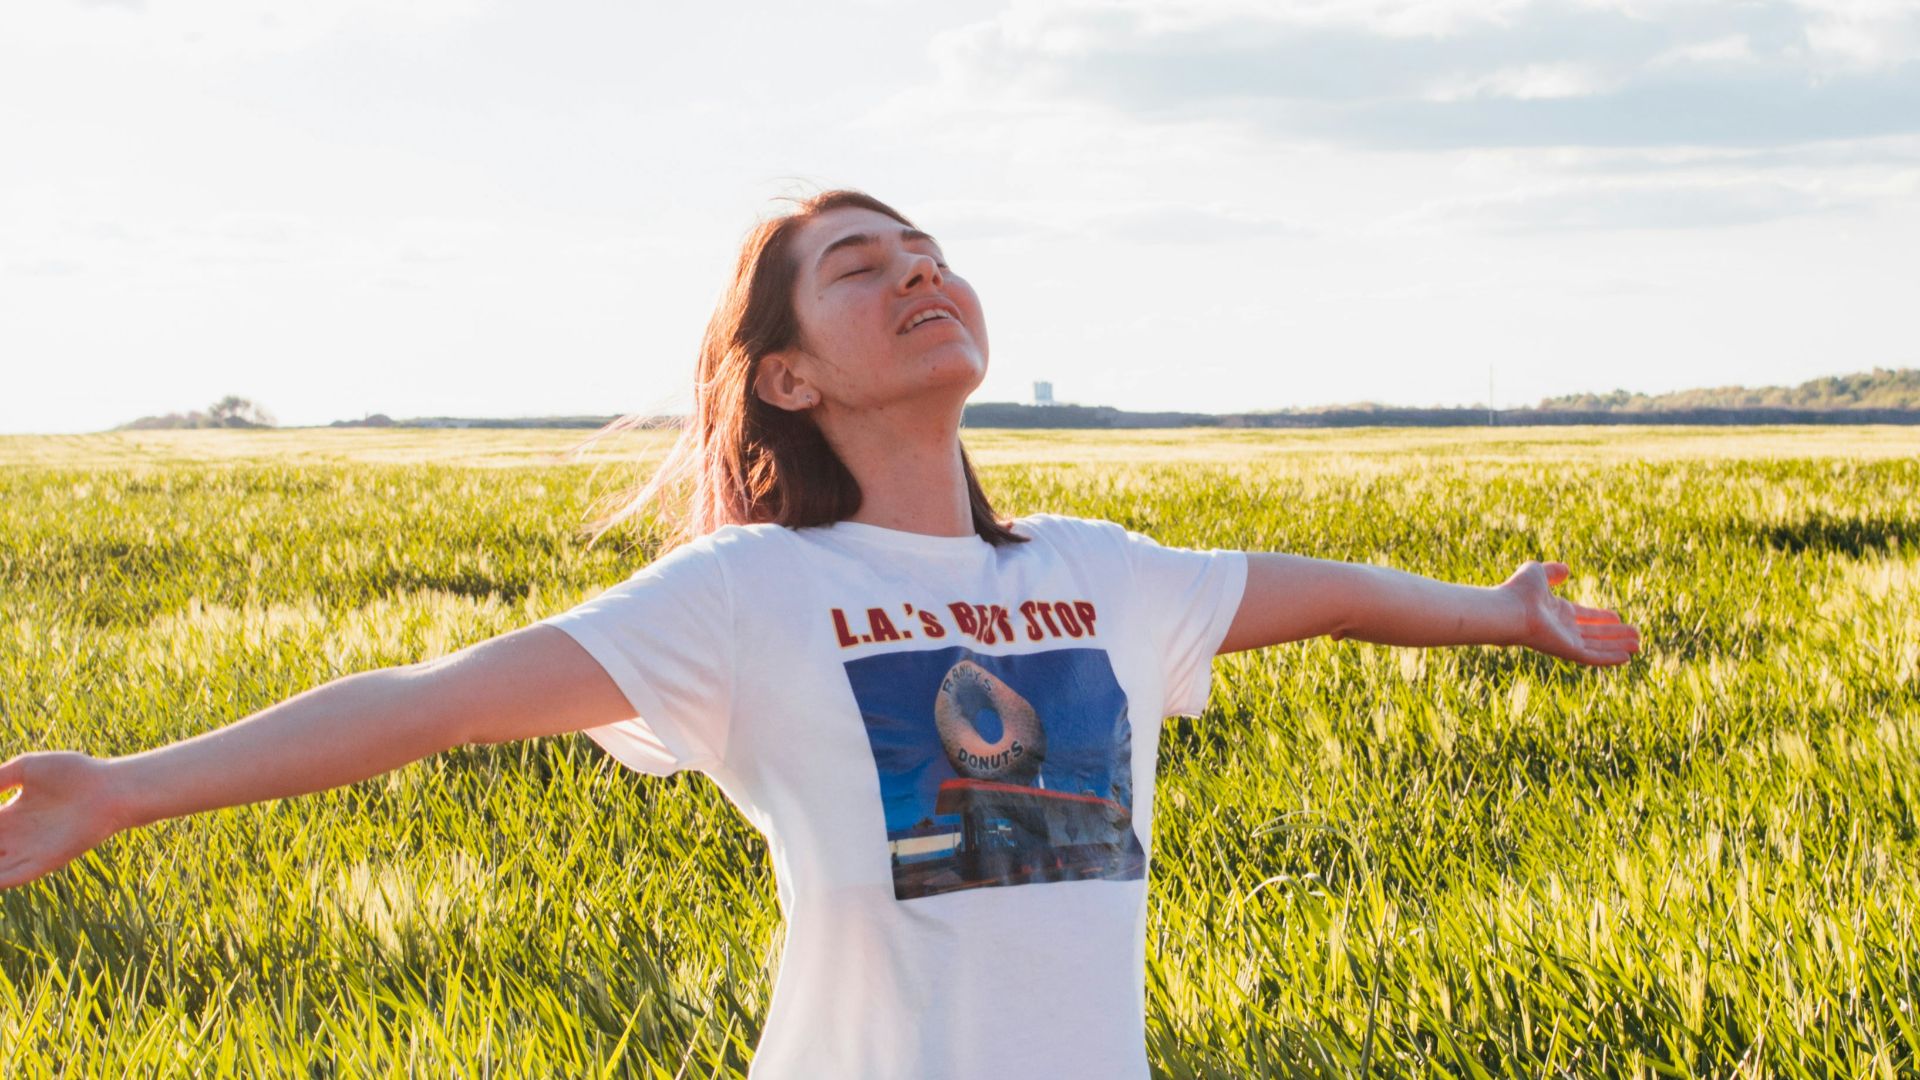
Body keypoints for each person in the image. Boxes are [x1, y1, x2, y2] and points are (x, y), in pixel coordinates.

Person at [0, 189, 1641, 1077]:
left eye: (930, 253)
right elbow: (437, 701)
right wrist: (130, 787)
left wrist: (1501, 617)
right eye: (862, 268)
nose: (920, 273)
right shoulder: (747, 595)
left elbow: (1327, 591)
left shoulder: (1102, 573)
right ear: (787, 375)